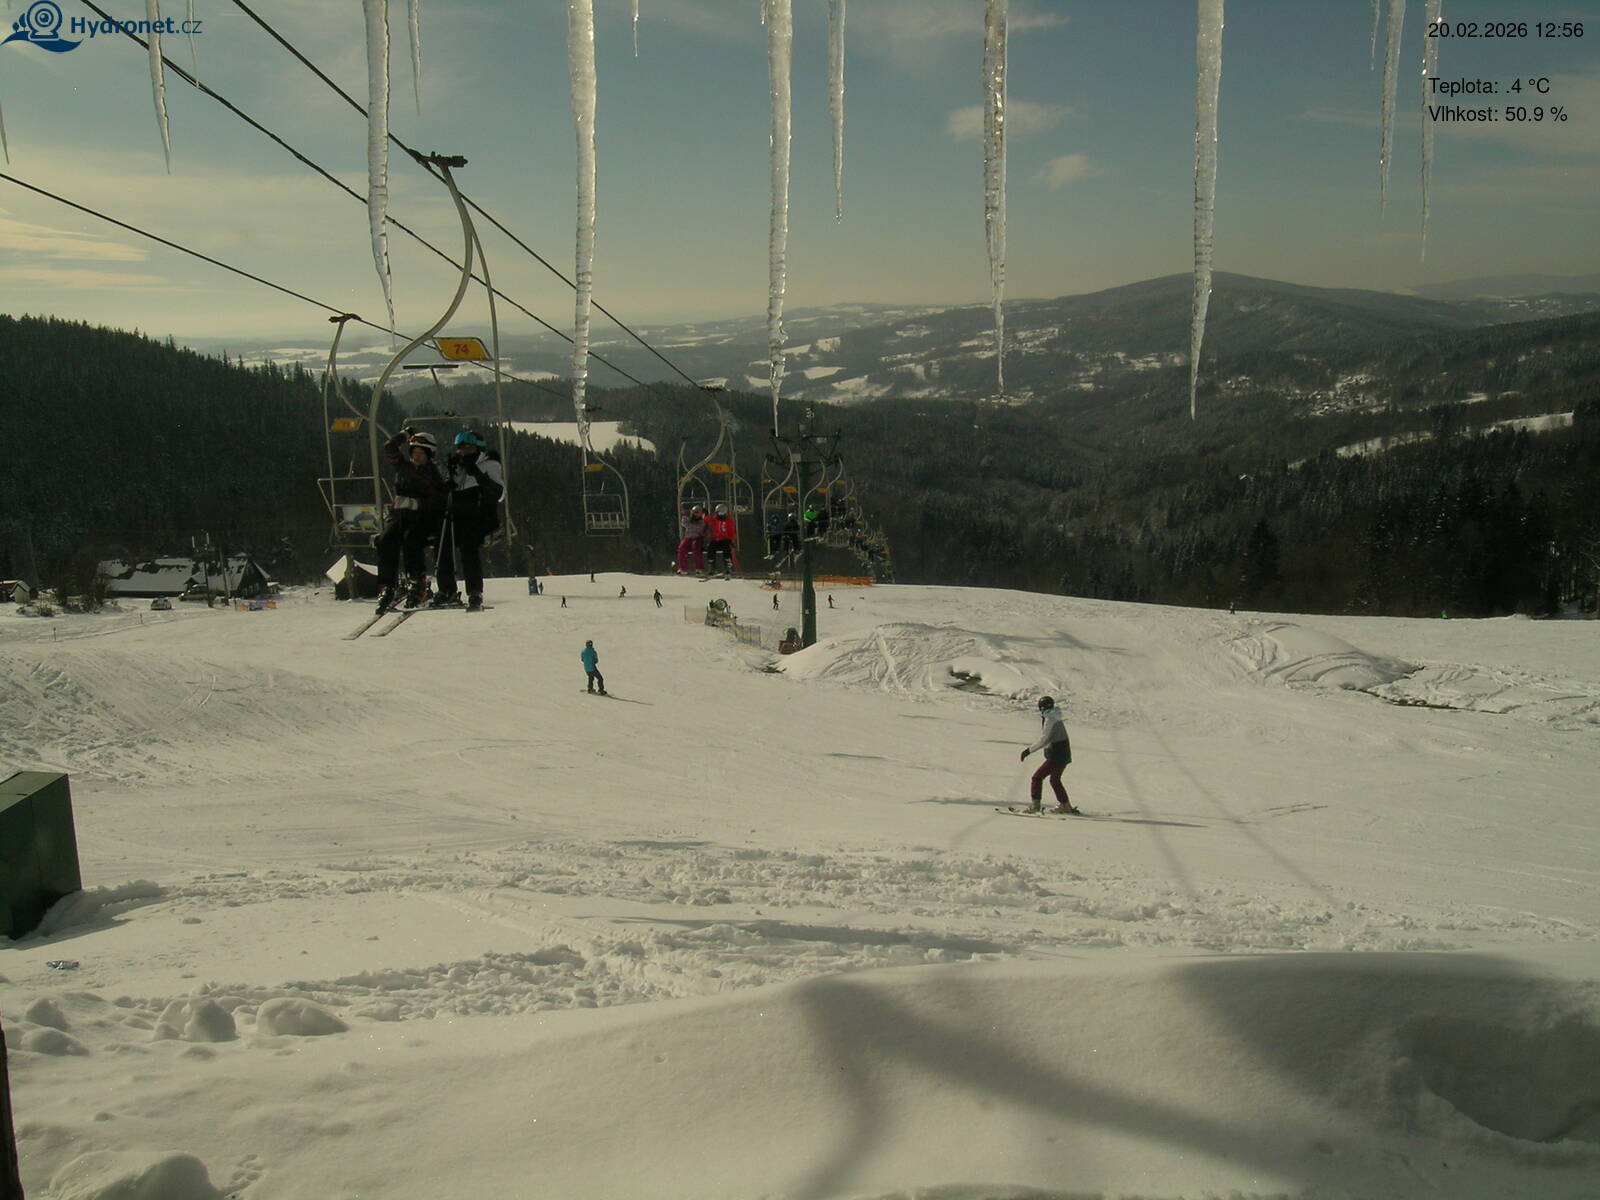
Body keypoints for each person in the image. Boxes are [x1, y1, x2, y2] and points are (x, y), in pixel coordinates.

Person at [374, 428, 448, 613]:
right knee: (385, 541)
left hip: (424, 518)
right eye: (414, 452)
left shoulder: (433, 474)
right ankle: (387, 585)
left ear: (429, 455)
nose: (417, 457)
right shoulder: (404, 467)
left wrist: (415, 503)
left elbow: (439, 500)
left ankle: (417, 580)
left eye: (421, 453)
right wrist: (405, 435)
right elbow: (389, 448)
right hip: (402, 516)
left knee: (411, 540)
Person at [433, 431, 504, 612]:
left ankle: (474, 591)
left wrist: (479, 475)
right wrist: (447, 484)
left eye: (469, 448)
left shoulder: (490, 464)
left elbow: (498, 493)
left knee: (468, 546)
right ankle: (446, 588)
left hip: (480, 515)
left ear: (478, 448)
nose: (464, 451)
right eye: (461, 448)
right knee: (442, 544)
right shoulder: (457, 464)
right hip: (458, 514)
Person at [1018, 696, 1078, 814]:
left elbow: (1044, 740)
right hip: (1063, 753)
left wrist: (1028, 751)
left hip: (1057, 754)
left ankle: (1035, 806)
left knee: (1037, 777)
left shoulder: (1050, 719)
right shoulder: (1055, 716)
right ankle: (1065, 805)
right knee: (1055, 780)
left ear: (1042, 708)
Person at [704, 503, 741, 577]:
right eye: (719, 513)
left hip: (725, 539)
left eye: (722, 513)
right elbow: (707, 521)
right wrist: (706, 514)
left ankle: (728, 566)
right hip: (715, 539)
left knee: (726, 549)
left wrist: (731, 539)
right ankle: (712, 566)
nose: (720, 515)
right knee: (711, 548)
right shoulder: (714, 520)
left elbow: (732, 531)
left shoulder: (728, 521)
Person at [676, 506, 709, 575]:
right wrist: (685, 516)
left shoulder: (703, 520)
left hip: (697, 537)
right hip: (688, 537)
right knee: (681, 547)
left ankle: (699, 568)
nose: (695, 514)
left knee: (695, 547)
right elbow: (684, 523)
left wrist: (690, 524)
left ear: (701, 513)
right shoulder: (688, 518)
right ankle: (683, 568)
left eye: (697, 512)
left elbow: (699, 528)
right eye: (693, 512)